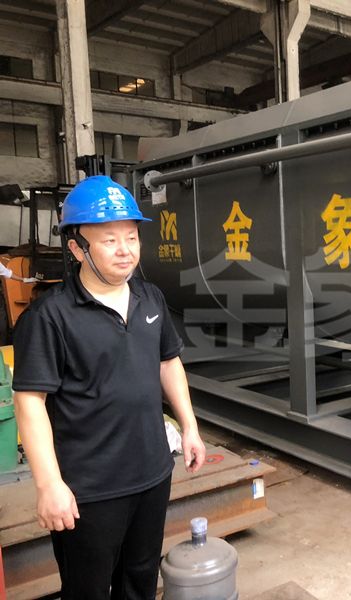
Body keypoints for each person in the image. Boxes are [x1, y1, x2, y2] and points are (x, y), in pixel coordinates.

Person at [12, 175, 206, 600]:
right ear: (77, 248)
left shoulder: (150, 298)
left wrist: (190, 427)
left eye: (131, 237)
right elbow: (30, 401)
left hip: (152, 474)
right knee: (89, 590)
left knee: (140, 580)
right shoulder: (49, 317)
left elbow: (168, 362)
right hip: (89, 489)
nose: (125, 250)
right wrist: (49, 485)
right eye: (109, 240)